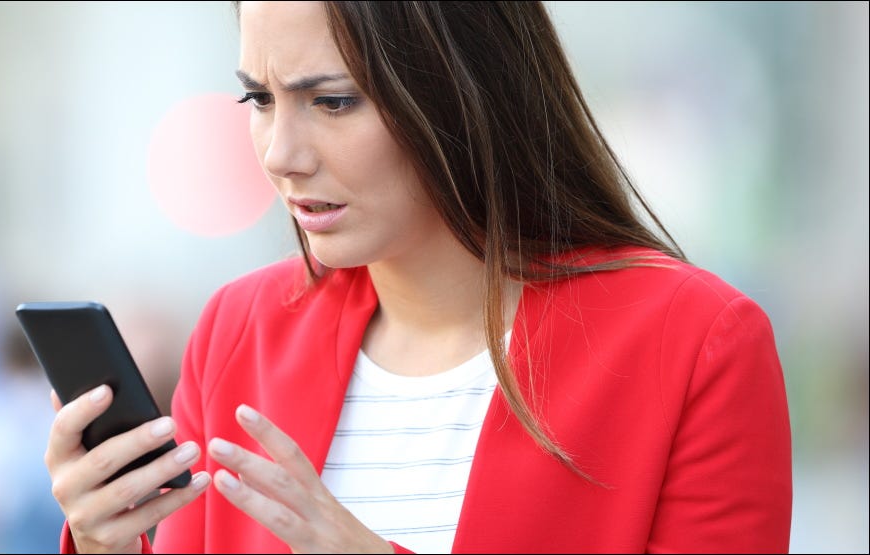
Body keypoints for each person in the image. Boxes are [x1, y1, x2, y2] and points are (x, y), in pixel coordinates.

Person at [43, 2, 792, 553]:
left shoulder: (695, 345)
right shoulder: (239, 332)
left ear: (464, 90)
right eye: (260, 99)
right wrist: (105, 541)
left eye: (331, 101)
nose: (279, 152)